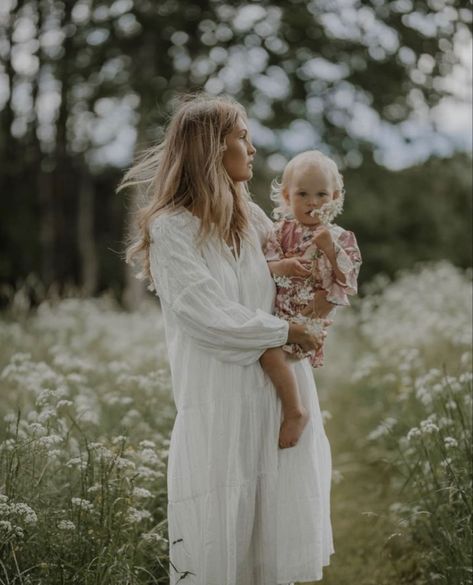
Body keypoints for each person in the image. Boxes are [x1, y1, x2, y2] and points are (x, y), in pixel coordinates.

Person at [119, 94, 334, 585]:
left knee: (271, 542)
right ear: (212, 148)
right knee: (221, 542)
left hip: (277, 397)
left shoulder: (251, 218)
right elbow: (207, 315)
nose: (253, 148)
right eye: (242, 136)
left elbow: (287, 281)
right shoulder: (171, 229)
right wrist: (286, 330)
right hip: (221, 402)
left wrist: (325, 278)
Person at [260, 151, 362, 448]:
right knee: (267, 351)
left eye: (321, 194)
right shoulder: (279, 232)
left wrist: (330, 249)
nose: (312, 202)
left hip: (310, 317)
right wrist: (284, 266)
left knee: (269, 353)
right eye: (302, 194)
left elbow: (348, 279)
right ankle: (289, 408)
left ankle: (296, 411)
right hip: (280, 312)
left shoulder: (339, 236)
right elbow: (264, 264)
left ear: (335, 196)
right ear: (286, 195)